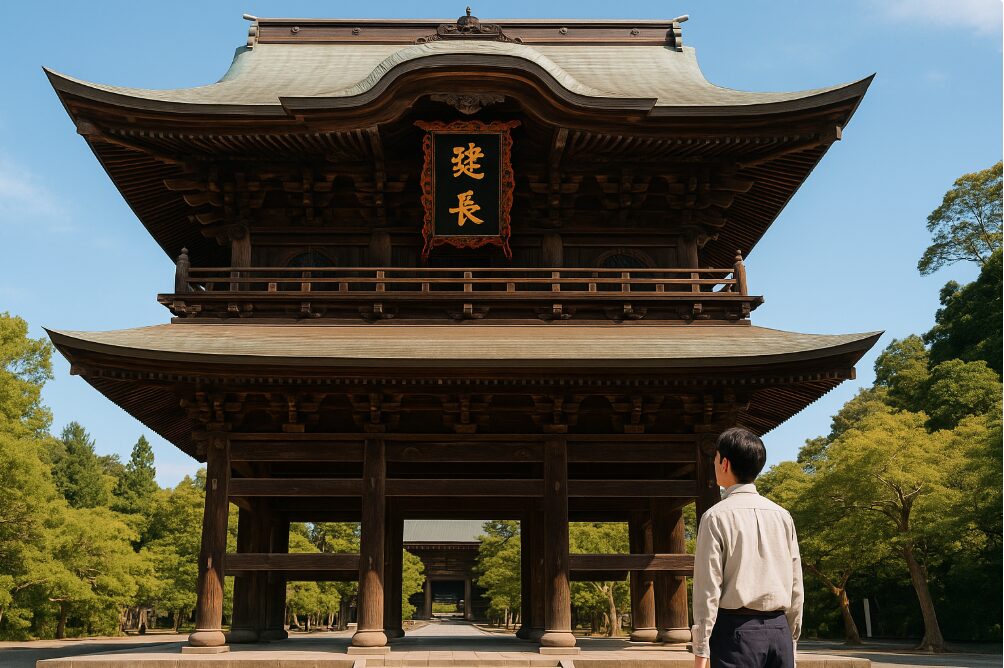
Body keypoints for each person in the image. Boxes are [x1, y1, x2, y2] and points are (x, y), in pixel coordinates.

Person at [691, 427, 803, 668]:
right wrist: (791, 641)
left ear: (724, 464)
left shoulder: (715, 517)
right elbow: (796, 586)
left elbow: (708, 589)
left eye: (716, 458)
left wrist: (701, 651)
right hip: (779, 630)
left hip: (736, 633)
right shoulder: (783, 516)